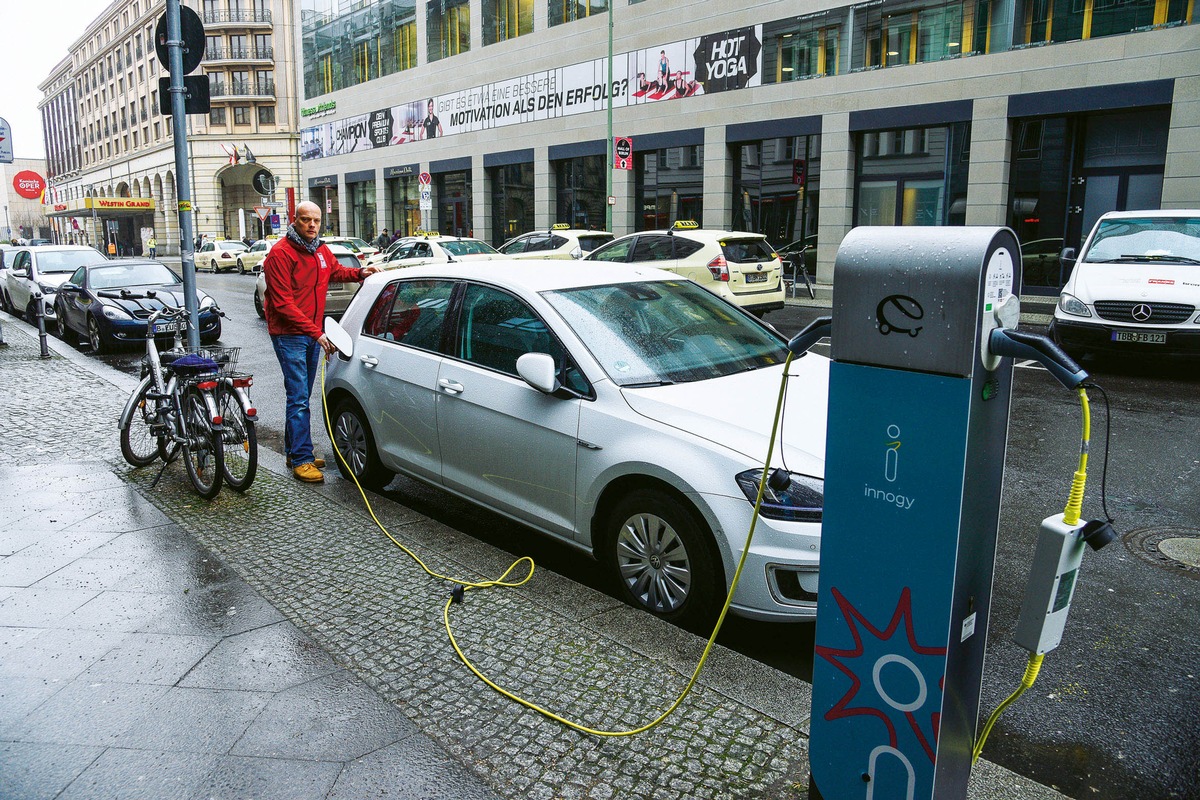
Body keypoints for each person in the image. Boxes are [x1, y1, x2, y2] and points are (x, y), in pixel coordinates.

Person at [262, 201, 381, 483]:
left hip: (311, 332)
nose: (312, 225)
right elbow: (282, 304)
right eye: (306, 220)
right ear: (295, 220)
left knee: (300, 395)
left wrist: (360, 273)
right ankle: (302, 459)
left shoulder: (320, 249)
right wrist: (316, 333)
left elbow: (336, 271)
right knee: (299, 397)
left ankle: (295, 451)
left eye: (316, 220)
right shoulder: (280, 254)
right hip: (289, 334)